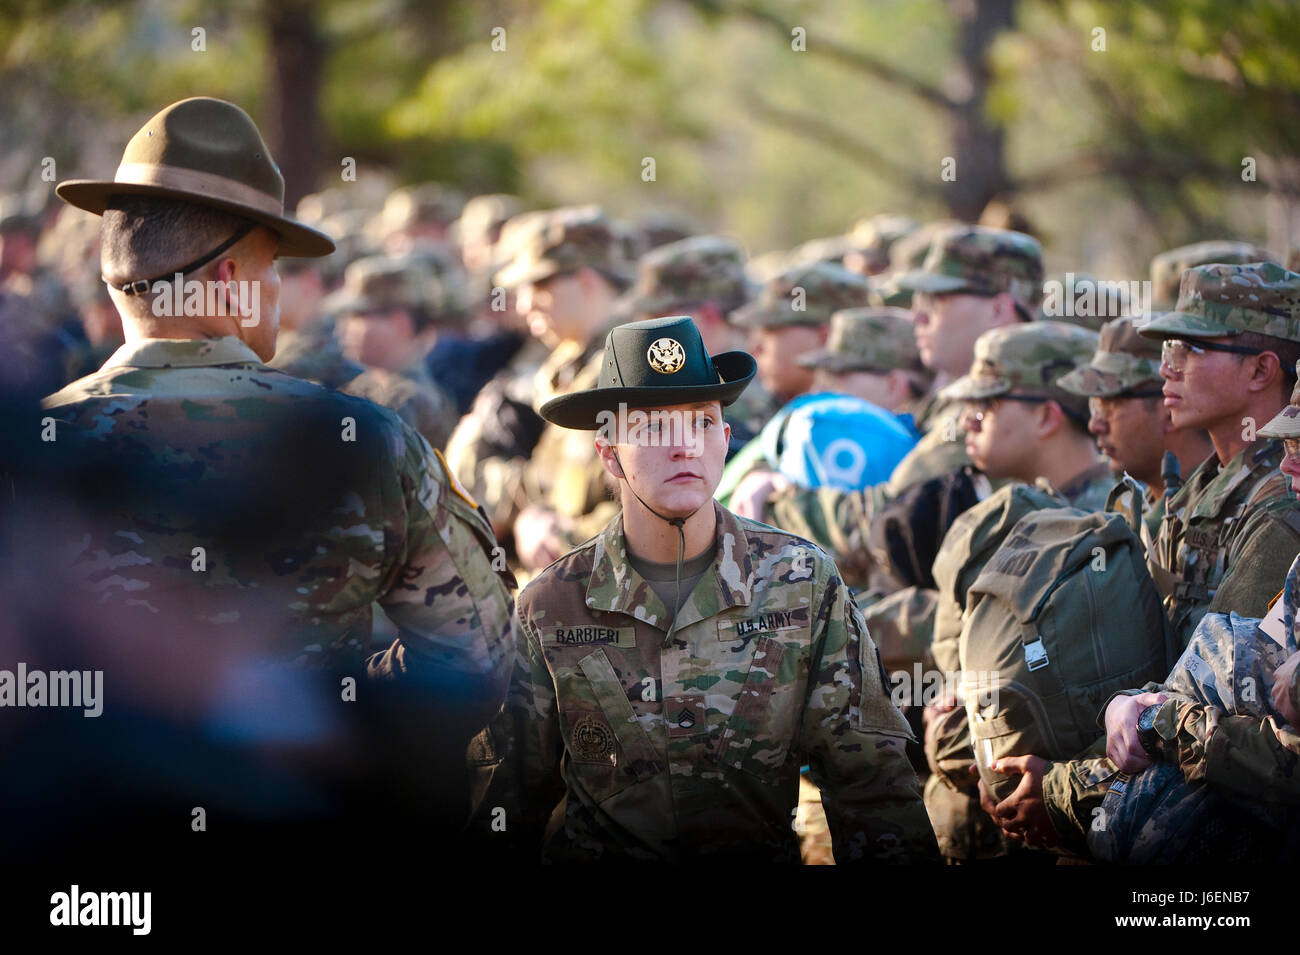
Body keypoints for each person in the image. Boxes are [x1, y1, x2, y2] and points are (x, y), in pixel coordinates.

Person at [33, 96, 514, 857]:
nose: (280, 296)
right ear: (229, 277)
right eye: (273, 270)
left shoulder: (33, 451)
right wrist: (340, 706)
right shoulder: (364, 442)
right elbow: (479, 656)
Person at [473, 315, 938, 862]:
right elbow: (504, 812)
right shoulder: (550, 606)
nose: (683, 447)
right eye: (651, 428)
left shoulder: (801, 581)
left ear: (724, 438)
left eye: (700, 423)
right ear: (608, 454)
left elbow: (873, 788)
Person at [988, 262, 1300, 852]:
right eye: (1168, 347)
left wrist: (1062, 789)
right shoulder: (1200, 492)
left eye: (1192, 347)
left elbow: (1206, 706)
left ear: (1262, 369)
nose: (1167, 366)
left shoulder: (1282, 503)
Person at [1058, 315, 1213, 536]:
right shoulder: (1140, 509)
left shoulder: (1209, 520)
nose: (1094, 425)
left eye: (1110, 405)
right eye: (1096, 405)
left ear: (1169, 408)